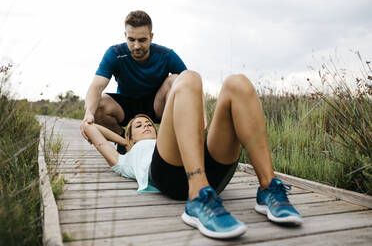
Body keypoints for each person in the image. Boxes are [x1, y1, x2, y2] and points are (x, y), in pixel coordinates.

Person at [82, 70, 303, 239]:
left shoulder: (167, 139)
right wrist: (122, 140)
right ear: (130, 139)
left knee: (238, 82)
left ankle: (268, 187)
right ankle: (198, 198)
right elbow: (95, 132)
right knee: (188, 78)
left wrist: (138, 135)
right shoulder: (126, 158)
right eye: (138, 126)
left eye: (149, 123)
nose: (146, 126)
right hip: (170, 177)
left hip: (210, 171)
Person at [80, 10, 187, 154]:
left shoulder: (166, 55)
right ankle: (126, 142)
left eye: (142, 40)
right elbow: (96, 87)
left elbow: (189, 84)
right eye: (131, 40)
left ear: (151, 37)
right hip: (126, 106)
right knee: (97, 105)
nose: (136, 46)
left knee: (176, 80)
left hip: (157, 105)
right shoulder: (115, 53)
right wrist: (88, 115)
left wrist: (200, 114)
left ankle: (164, 143)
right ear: (125, 36)